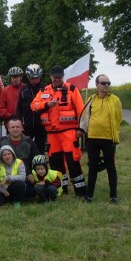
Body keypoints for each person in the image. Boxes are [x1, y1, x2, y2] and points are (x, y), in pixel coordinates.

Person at [30, 65, 87, 197]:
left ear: (62, 77)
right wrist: (46, 104)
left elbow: (82, 111)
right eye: (55, 77)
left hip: (68, 133)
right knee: (55, 164)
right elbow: (33, 105)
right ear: (50, 77)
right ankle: (61, 188)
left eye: (59, 77)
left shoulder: (71, 89)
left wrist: (81, 129)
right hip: (52, 134)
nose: (57, 79)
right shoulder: (44, 90)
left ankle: (81, 191)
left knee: (73, 162)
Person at [80, 74, 122, 203]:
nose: (106, 85)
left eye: (108, 83)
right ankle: (89, 195)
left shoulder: (115, 100)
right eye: (103, 83)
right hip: (93, 138)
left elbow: (118, 117)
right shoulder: (92, 99)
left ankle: (113, 196)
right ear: (97, 84)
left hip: (109, 138)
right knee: (93, 166)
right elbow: (85, 117)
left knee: (111, 167)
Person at [0, 116, 40, 187]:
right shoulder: (1, 141)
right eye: (12, 127)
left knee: (30, 192)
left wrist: (31, 173)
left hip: (24, 174)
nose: (15, 129)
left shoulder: (30, 142)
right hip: (4, 173)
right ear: (8, 129)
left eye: (18, 127)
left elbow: (36, 159)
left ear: (22, 128)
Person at [16, 64, 47, 153]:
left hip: (41, 125)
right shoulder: (24, 89)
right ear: (28, 77)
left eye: (36, 78)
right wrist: (19, 122)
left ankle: (39, 166)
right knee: (26, 150)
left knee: (40, 150)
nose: (34, 80)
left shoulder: (45, 88)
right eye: (31, 78)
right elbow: (19, 108)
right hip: (27, 125)